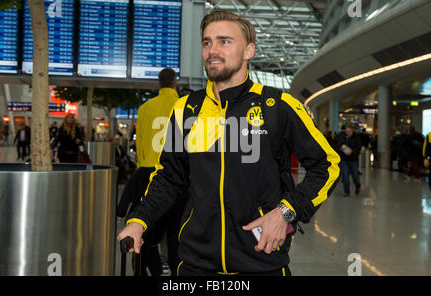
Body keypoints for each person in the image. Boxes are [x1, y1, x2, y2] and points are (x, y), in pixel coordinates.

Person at [117, 11, 341, 276]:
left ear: (249, 51)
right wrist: (139, 220)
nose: (213, 50)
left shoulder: (277, 106)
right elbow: (169, 177)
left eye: (224, 41)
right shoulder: (187, 109)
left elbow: (328, 165)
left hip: (261, 261)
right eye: (207, 42)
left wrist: (285, 212)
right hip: (195, 265)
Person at [117, 68, 182, 276]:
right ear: (175, 83)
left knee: (148, 231)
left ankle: (142, 269)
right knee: (176, 232)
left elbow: (141, 144)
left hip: (148, 174)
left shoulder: (145, 108)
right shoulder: (184, 105)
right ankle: (176, 272)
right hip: (177, 175)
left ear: (158, 83)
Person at [334, 124, 361, 197]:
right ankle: (347, 192)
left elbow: (358, 149)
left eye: (349, 131)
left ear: (352, 130)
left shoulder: (356, 138)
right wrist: (342, 146)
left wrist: (352, 152)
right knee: (345, 176)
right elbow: (337, 145)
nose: (347, 132)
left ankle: (357, 186)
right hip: (344, 160)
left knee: (355, 176)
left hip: (353, 160)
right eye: (346, 130)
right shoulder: (342, 136)